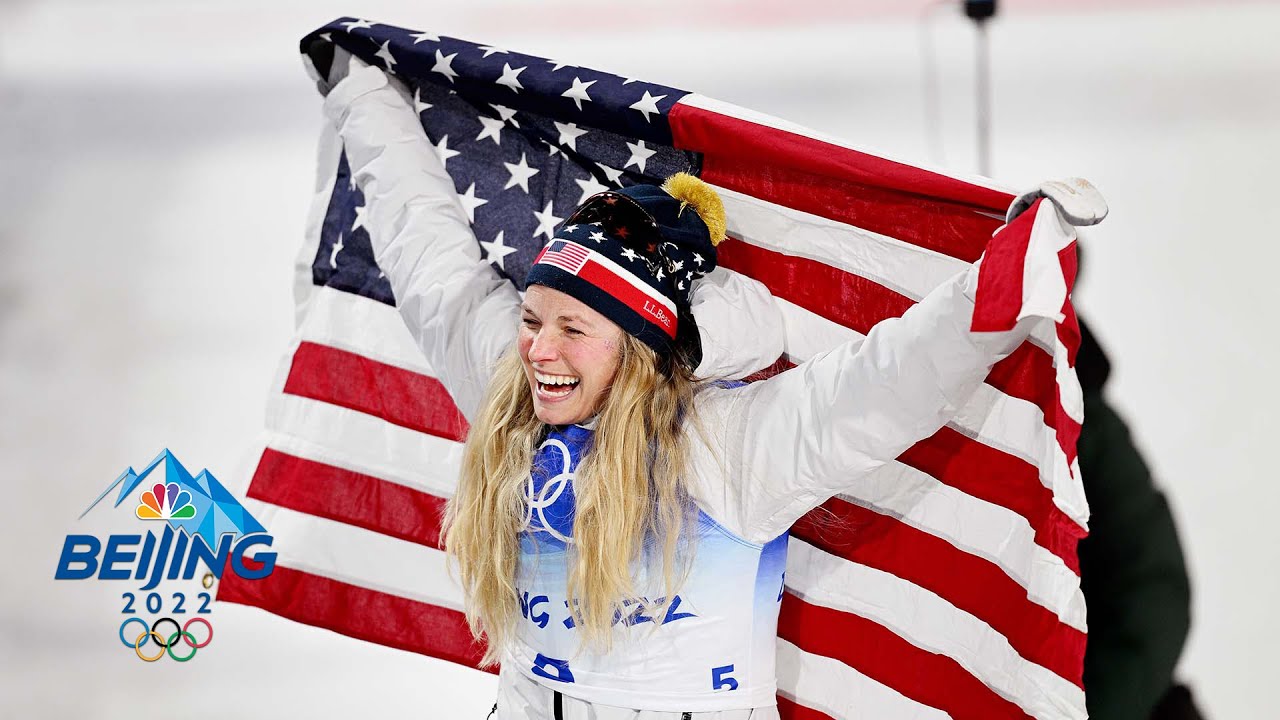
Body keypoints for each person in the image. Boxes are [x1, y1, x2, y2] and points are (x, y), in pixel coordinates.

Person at [308, 48, 1105, 720]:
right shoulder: (510, 388)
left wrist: (1003, 278)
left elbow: (890, 382)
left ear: (643, 349)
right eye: (532, 316)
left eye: (573, 329)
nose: (539, 349)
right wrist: (361, 87)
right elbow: (429, 258)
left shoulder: (727, 446)